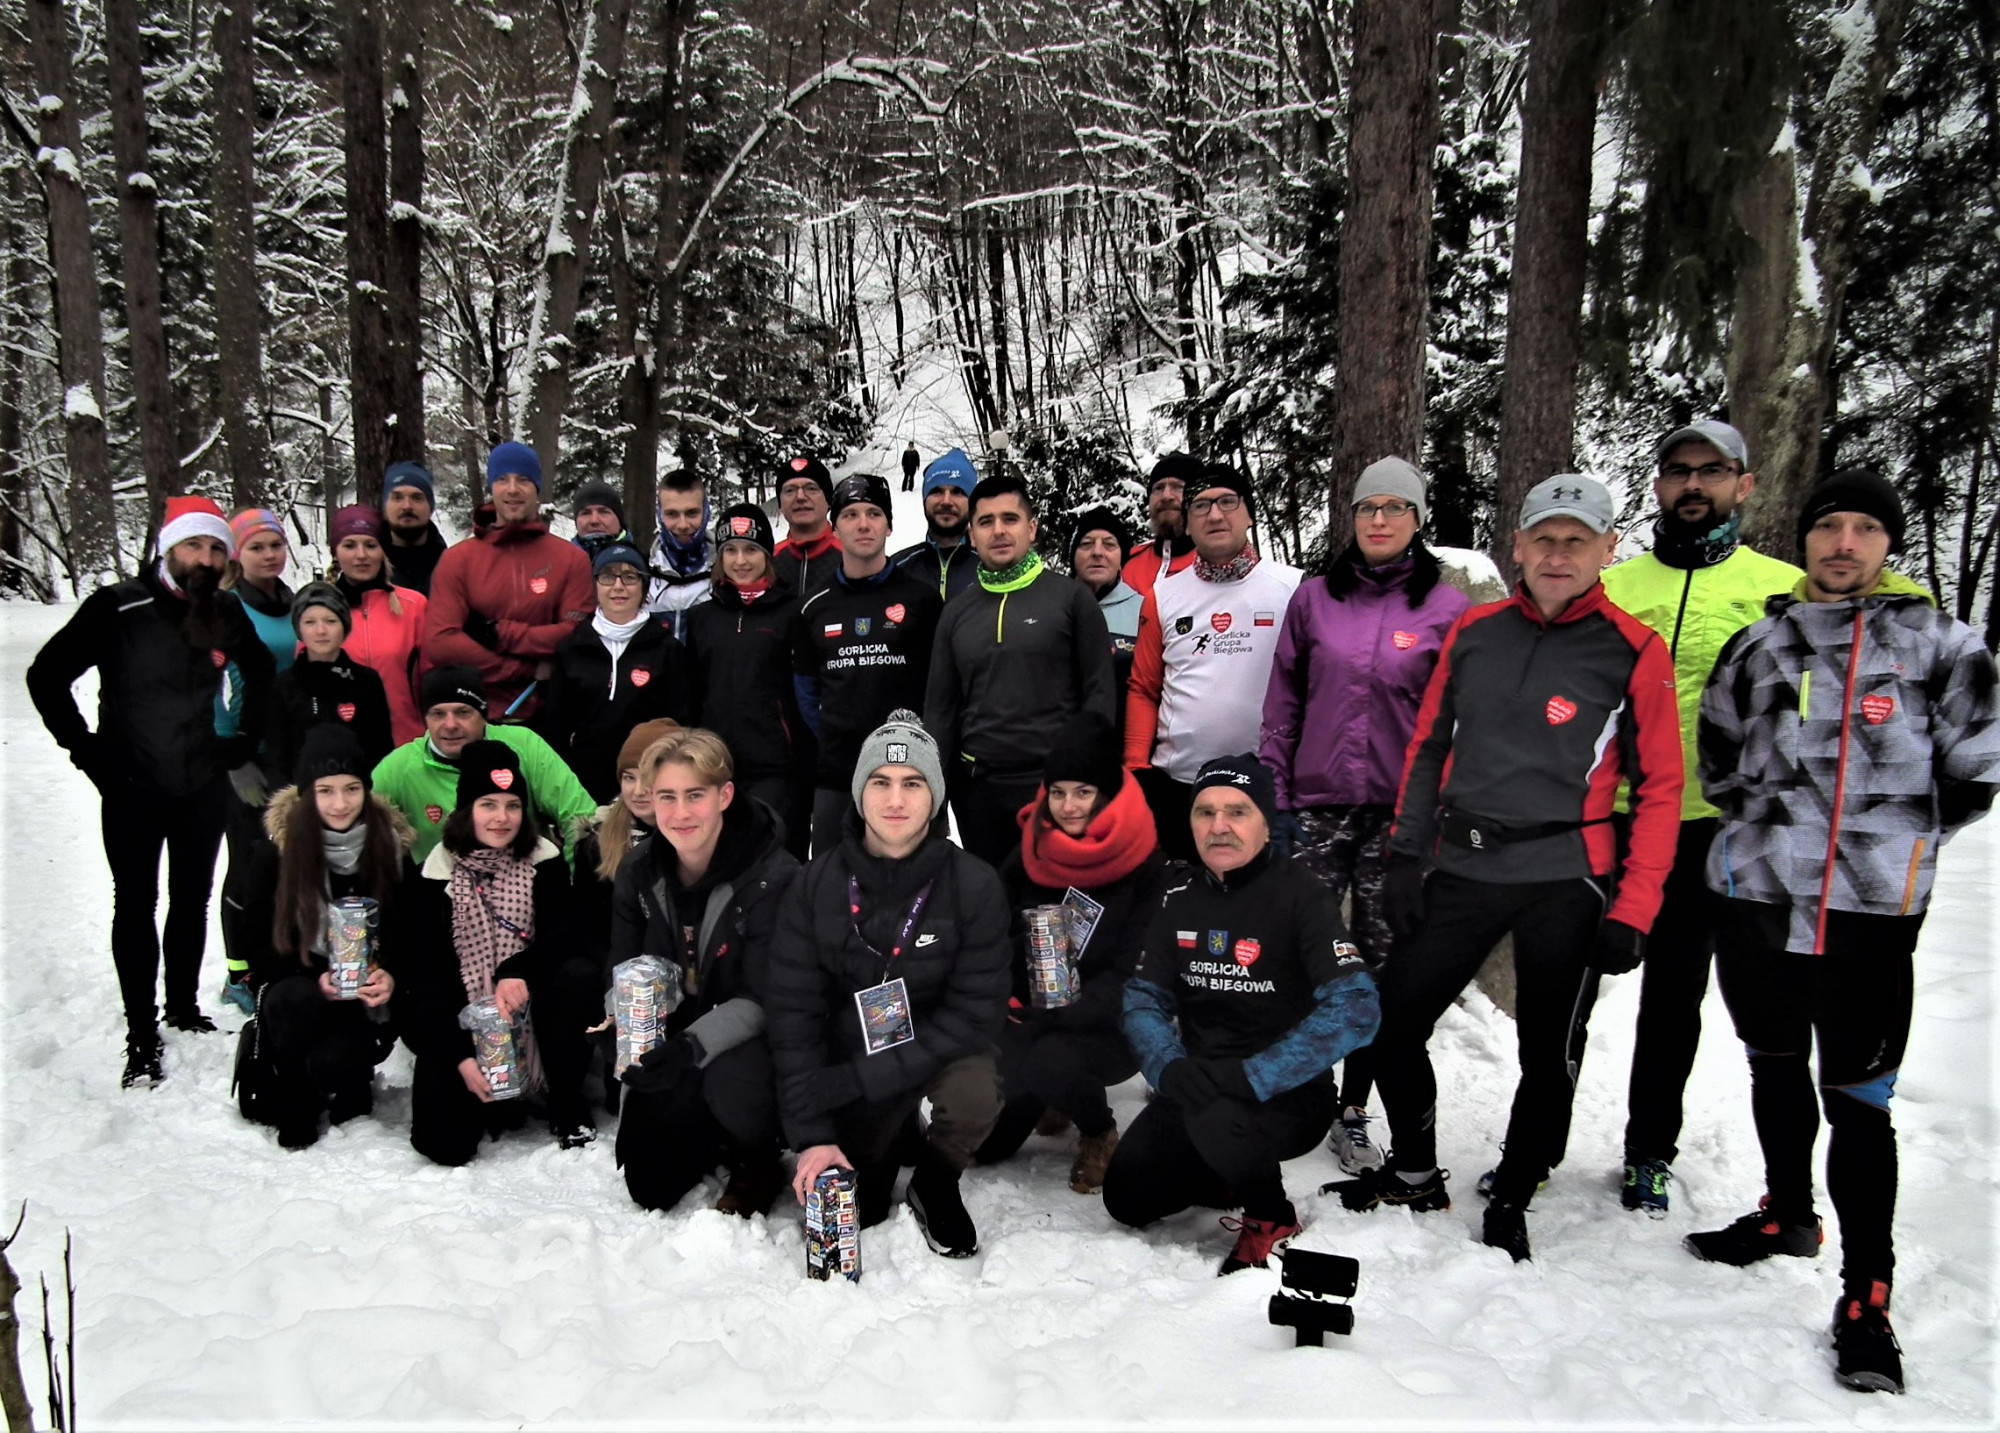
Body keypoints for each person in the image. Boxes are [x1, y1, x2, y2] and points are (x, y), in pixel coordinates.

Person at [1686, 469, 1999, 1396]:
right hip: (1758, 898)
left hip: (1870, 910)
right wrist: (1774, 833)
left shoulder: (1945, 645)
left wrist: (1882, 831)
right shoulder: (1759, 642)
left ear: (1886, 545)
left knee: (1861, 1095)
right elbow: (1719, 755)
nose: (1845, 542)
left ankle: (1868, 1291)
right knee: (1772, 1062)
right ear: (1808, 537)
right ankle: (1787, 1212)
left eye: (1866, 528)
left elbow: (1975, 772)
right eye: (1830, 525)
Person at [1329, 474, 1681, 1266]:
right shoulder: (1478, 631)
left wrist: (1635, 908)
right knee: (1391, 1019)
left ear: (1606, 550)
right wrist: (1406, 854)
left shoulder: (1633, 649)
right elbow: (1427, 750)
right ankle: (1416, 1169)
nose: (1558, 555)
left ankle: (1519, 1185)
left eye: (1577, 541)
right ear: (1516, 546)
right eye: (1544, 538)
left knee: (1549, 1048)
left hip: (1569, 871)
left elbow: (1661, 788)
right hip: (1465, 861)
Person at [1599, 420, 1802, 1217]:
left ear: (1743, 484)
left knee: (1674, 995)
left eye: (1710, 472)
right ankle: (1536, 1135)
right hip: (1613, 815)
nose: (1693, 485)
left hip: (1717, 825)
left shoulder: (1782, 587)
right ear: (1657, 486)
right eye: (1679, 472)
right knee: (1574, 984)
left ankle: (1649, 1148)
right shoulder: (1618, 585)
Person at [1258, 457, 1468, 1176]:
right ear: (1350, 520)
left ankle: (1355, 1107)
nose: (1379, 519)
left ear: (1417, 520)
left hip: (1401, 816)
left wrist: (1435, 816)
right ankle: (1300, 1090)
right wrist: (1277, 796)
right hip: (1317, 805)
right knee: (1304, 951)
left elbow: (1458, 720)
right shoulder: (1316, 599)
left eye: (1395, 507)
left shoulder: (1444, 608)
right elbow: (1283, 701)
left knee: (1380, 966)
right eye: (1367, 507)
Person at [27, 495, 277, 1084]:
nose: (207, 557)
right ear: (170, 547)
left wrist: (240, 739)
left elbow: (261, 673)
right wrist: (85, 750)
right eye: (196, 545)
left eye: (217, 548)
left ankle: (183, 1007)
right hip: (132, 779)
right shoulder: (119, 606)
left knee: (190, 898)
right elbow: (46, 675)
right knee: (136, 901)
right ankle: (141, 1029)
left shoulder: (222, 610)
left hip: (201, 780)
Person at [1104, 755, 1380, 1274]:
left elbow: (1357, 1007)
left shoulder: (1301, 895)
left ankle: (1271, 1216)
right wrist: (1167, 1066)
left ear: (1265, 820)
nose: (1219, 827)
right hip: (1199, 1079)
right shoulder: (1178, 896)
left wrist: (1255, 1075)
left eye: (1237, 811)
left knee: (1220, 1118)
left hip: (1288, 1093)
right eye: (1204, 813)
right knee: (1127, 1199)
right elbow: (1143, 997)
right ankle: (1222, 1169)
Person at [767, 711, 1011, 1258]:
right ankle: (889, 1134)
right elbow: (792, 1012)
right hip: (852, 1047)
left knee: (976, 1091)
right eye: (880, 782)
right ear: (858, 793)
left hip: (933, 1046)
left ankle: (936, 1179)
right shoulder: (815, 883)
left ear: (935, 796)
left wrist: (865, 1078)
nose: (895, 799)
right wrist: (813, 1135)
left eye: (912, 783)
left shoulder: (975, 884)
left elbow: (976, 1013)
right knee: (866, 1206)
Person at [613, 728, 802, 1215]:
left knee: (733, 1075)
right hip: (675, 1042)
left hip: (750, 1046)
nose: (680, 813)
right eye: (667, 797)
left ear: (724, 795)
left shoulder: (773, 874)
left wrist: (688, 1047)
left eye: (695, 795)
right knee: (649, 1187)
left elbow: (765, 996)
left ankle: (756, 1157)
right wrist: (618, 1017)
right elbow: (624, 966)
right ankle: (705, 1132)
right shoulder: (639, 870)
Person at [976, 715, 1164, 1194]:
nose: (1067, 806)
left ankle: (1099, 1130)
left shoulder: (1145, 863)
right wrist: (1013, 983)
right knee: (986, 1147)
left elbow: (1131, 975)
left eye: (1082, 792)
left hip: (1107, 1022)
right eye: (1057, 792)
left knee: (1050, 1062)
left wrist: (1056, 1012)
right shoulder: (1034, 845)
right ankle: (1048, 1098)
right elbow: (991, 923)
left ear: (1105, 791)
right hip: (1034, 1010)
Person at [400, 740, 602, 1157]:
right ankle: (483, 1085)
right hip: (462, 1022)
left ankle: (563, 1096)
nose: (502, 818)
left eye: (512, 805)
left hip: (534, 1011)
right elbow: (425, 978)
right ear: (466, 810)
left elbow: (562, 936)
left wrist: (519, 969)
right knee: (443, 1144)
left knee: (576, 974)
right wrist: (460, 1057)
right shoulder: (435, 875)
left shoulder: (543, 862)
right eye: (488, 804)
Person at [925, 474, 1117, 866]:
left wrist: (1087, 782)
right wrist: (934, 794)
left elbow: (1099, 694)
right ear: (971, 536)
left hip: (1052, 789)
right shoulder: (956, 612)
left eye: (1010, 519)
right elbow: (941, 710)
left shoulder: (1072, 599)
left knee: (1053, 915)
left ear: (1031, 528)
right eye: (985, 521)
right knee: (991, 908)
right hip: (978, 791)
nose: (998, 531)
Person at [234, 725, 411, 1148]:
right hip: (301, 989)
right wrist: (313, 977)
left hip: (366, 998)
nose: (340, 803)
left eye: (352, 789)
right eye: (326, 791)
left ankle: (348, 1072)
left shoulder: (389, 847)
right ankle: (295, 1093)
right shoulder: (276, 853)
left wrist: (391, 975)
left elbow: (411, 933)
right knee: (295, 1000)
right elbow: (253, 945)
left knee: (339, 1070)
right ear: (307, 794)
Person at [1126, 466, 1302, 860]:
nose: (1215, 515)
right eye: (1202, 506)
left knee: (1257, 912)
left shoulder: (1293, 588)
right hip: (1180, 785)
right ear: (1187, 522)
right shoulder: (1163, 595)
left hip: (1263, 785)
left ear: (1250, 514)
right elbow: (1144, 686)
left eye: (1227, 502)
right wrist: (1138, 767)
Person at [795, 473, 943, 854]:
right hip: (837, 775)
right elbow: (805, 690)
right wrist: (834, 734)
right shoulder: (814, 606)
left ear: (889, 525)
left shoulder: (923, 601)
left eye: (874, 513)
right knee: (832, 889)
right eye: (851, 514)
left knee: (922, 890)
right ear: (835, 527)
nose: (863, 524)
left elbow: (941, 687)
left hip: (908, 774)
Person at [423, 442, 592, 722]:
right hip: (476, 719)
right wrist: (521, 668)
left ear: (537, 489)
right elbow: (440, 642)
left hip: (550, 715)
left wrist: (501, 633)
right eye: (502, 479)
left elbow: (576, 634)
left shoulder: (571, 560)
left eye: (524, 480)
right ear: (492, 487)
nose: (513, 489)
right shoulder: (458, 560)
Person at [371, 666, 598, 864]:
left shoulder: (525, 746)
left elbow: (580, 819)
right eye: (438, 714)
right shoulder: (399, 767)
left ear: (483, 715)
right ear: (425, 719)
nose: (450, 725)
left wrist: (573, 887)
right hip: (440, 894)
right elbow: (362, 827)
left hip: (526, 885)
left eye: (463, 712)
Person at [684, 505, 810, 857]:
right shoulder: (702, 617)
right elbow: (692, 691)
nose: (741, 560)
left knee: (773, 859)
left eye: (751, 549)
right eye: (731, 550)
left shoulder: (792, 613)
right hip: (714, 765)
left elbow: (803, 692)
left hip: (775, 766)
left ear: (768, 556)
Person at [213, 507, 299, 1011]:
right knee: (246, 861)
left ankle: (273, 956)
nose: (269, 555)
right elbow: (216, 689)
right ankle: (237, 971)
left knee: (282, 862)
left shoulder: (290, 604)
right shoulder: (227, 608)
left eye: (276, 545)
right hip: (245, 755)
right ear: (237, 555)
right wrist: (232, 755)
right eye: (257, 547)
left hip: (286, 750)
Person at [541, 542, 690, 803]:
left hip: (648, 786)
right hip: (584, 786)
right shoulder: (572, 649)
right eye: (608, 576)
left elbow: (683, 723)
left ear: (644, 586)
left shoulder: (668, 650)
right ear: (595, 584)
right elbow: (556, 726)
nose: (618, 586)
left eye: (630, 576)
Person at [571, 718, 682, 979]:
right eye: (629, 777)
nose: (639, 790)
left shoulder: (697, 841)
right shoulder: (598, 840)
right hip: (620, 972)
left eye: (649, 778)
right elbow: (588, 930)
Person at [262, 583, 395, 786]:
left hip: (358, 795)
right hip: (303, 799)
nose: (321, 631)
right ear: (299, 628)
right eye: (310, 622)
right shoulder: (284, 685)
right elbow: (277, 755)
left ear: (344, 626)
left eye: (330, 621)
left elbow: (380, 747)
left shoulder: (366, 681)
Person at [328, 503, 430, 746]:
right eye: (350, 545)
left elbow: (432, 676)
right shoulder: (320, 610)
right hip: (344, 748)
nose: (361, 555)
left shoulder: (413, 606)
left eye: (371, 545)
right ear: (335, 552)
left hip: (406, 744)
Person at [1068, 506, 1143, 725]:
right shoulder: (1053, 606)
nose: (1097, 552)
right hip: (1057, 745)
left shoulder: (1143, 611)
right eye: (1086, 544)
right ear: (1072, 556)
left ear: (1122, 558)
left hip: (1122, 743)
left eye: (1109, 544)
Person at [891, 448, 980, 603]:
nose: (946, 501)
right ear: (924, 500)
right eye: (937, 491)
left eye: (957, 492)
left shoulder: (991, 570)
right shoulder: (896, 569)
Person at [1120, 452, 1201, 598]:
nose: (1166, 496)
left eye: (1178, 487)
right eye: (1158, 488)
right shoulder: (1128, 563)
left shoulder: (1217, 564)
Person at [647, 467, 712, 637]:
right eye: (672, 514)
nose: (682, 525)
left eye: (692, 513)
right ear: (659, 514)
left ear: (705, 511)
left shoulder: (726, 569)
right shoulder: (642, 571)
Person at [772, 456, 843, 603]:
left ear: (828, 500)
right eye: (790, 490)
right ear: (780, 504)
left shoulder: (851, 557)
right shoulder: (768, 561)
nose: (800, 497)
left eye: (811, 488)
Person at [381, 461, 450, 597]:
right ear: (385, 506)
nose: (407, 506)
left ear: (430, 507)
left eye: (417, 498)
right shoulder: (366, 570)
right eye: (397, 497)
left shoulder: (451, 568)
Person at [570, 479, 631, 564]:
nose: (594, 520)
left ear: (619, 520)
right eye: (586, 513)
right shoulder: (559, 565)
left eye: (603, 512)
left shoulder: (643, 566)